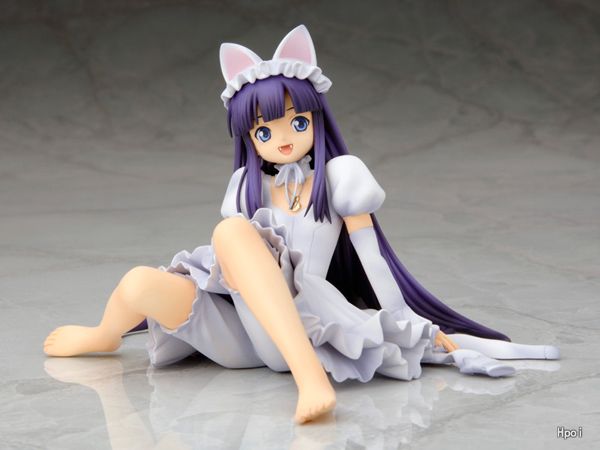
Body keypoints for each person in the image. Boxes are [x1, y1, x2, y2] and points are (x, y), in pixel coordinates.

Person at [44, 25, 559, 424]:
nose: (284, 138)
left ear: (316, 120)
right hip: (242, 333)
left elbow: (373, 258)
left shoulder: (340, 177)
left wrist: (409, 324)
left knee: (230, 234)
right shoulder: (244, 185)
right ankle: (104, 335)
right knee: (140, 281)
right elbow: (239, 273)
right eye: (264, 131)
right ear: (249, 138)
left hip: (303, 324)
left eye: (297, 122)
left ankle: (311, 379)